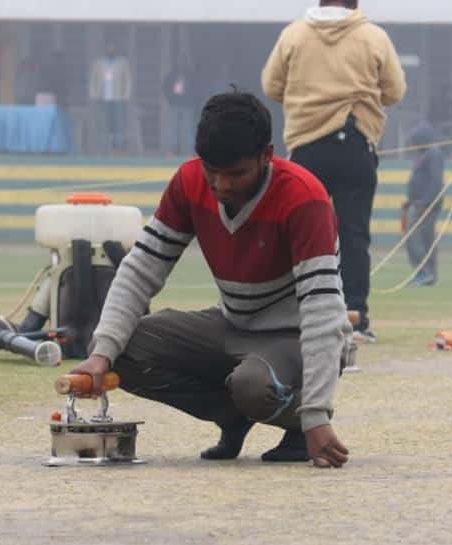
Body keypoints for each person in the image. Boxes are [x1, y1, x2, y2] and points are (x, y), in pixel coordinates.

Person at [70, 90, 353, 468]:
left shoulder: (304, 199)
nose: (220, 185)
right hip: (232, 323)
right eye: (211, 170)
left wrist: (316, 414)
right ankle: (232, 415)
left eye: (235, 173)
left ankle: (297, 426)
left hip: (294, 334)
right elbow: (140, 271)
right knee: (120, 349)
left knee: (252, 387)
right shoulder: (188, 181)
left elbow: (321, 309)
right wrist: (99, 354)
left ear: (267, 156)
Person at [262, 0, 407, 343]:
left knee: (296, 235)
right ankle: (355, 318)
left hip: (306, 146)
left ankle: (291, 316)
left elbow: (271, 87)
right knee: (353, 235)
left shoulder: (294, 35)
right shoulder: (373, 37)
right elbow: (394, 92)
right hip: (355, 140)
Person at [403, 122, 444, 286]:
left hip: (426, 205)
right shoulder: (425, 154)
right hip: (419, 203)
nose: (414, 145)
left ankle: (424, 271)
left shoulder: (434, 154)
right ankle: (429, 274)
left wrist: (426, 202)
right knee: (425, 238)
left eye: (416, 141)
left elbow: (436, 181)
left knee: (414, 237)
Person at [88, 42, 132, 152]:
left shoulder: (123, 62)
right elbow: (93, 78)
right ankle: (104, 147)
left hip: (118, 98)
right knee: (103, 123)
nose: (110, 50)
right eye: (108, 48)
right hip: (102, 98)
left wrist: (126, 94)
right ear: (105, 49)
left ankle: (118, 146)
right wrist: (93, 94)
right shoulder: (98, 62)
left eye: (112, 48)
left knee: (119, 123)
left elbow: (128, 79)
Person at [162, 58, 198, 157]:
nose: (181, 63)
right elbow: (165, 87)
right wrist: (170, 99)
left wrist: (191, 101)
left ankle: (189, 151)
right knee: (173, 128)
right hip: (175, 104)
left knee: (188, 129)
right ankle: (171, 151)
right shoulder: (172, 74)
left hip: (187, 105)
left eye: (183, 61)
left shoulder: (191, 75)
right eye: (179, 61)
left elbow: (196, 88)